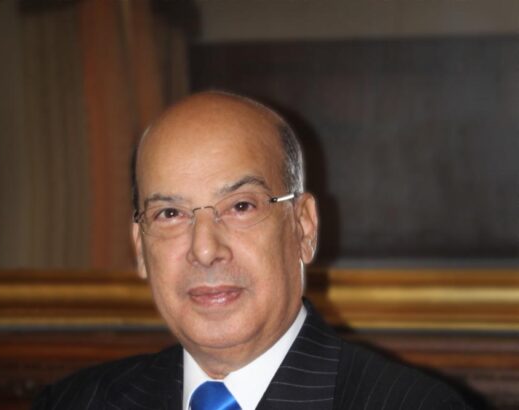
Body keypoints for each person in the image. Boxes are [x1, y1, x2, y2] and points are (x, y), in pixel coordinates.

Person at [33, 91, 471, 409]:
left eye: (241, 206)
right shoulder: (75, 402)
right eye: (170, 214)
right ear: (140, 248)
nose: (205, 250)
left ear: (303, 227)